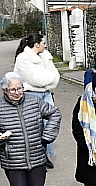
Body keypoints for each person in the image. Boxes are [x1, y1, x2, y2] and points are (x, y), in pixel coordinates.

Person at [14, 33, 61, 169]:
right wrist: (48, 78)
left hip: (46, 93)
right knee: (34, 126)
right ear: (36, 44)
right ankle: (35, 157)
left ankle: (46, 154)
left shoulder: (46, 56)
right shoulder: (23, 58)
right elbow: (34, 79)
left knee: (50, 124)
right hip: (31, 94)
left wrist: (47, 80)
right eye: (43, 43)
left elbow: (56, 76)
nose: (45, 46)